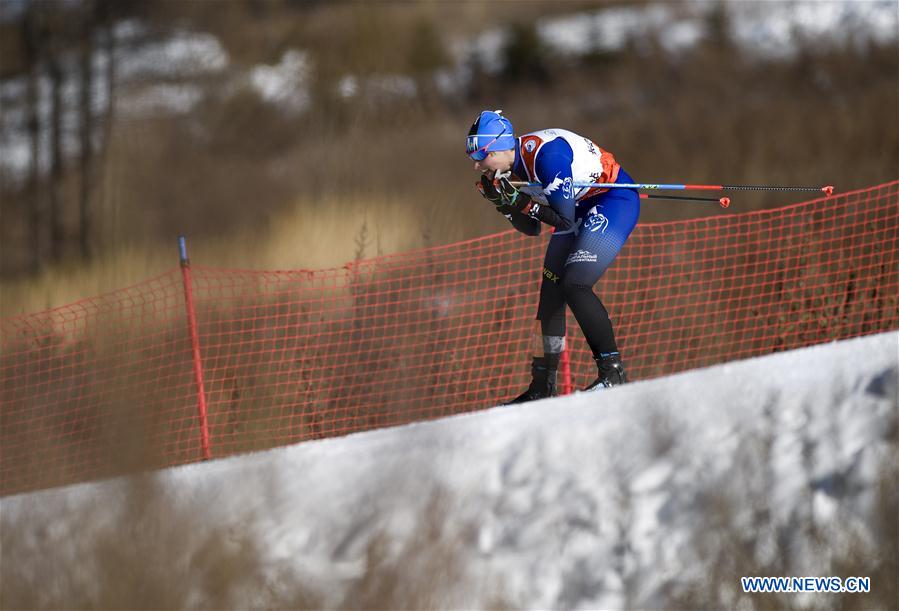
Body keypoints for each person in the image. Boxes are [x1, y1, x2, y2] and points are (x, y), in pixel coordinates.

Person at [466, 109, 639, 402]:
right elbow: (532, 228)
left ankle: (614, 373)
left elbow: (564, 220)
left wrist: (518, 200)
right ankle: (542, 387)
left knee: (575, 284)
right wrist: (504, 204)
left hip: (612, 200)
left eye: (480, 156)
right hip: (575, 208)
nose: (477, 165)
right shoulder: (510, 169)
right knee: (551, 295)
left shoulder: (547, 157)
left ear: (499, 146)